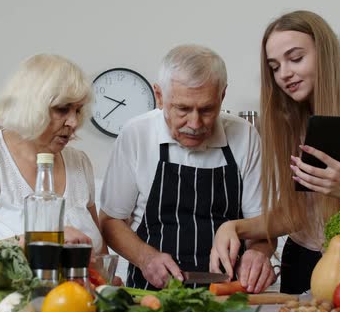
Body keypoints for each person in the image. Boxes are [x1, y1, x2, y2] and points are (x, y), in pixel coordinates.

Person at [210, 10, 340, 294]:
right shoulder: (289, 122)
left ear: (326, 54)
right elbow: (295, 217)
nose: (284, 73)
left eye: (295, 58)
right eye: (275, 66)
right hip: (302, 263)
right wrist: (234, 227)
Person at [99, 44, 276, 292]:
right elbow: (110, 220)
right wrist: (146, 258)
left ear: (222, 96)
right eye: (182, 109)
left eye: (206, 110)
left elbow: (263, 225)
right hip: (151, 296)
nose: (195, 123)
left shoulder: (245, 136)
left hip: (229, 294)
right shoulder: (136, 134)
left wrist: (259, 253)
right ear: (159, 97)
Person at [0, 54, 105, 279]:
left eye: (78, 110)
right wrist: (38, 241)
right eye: (62, 109)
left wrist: (105, 280)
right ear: (31, 106)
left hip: (71, 309)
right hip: (3, 310)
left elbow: (99, 255)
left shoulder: (79, 163)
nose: (73, 122)